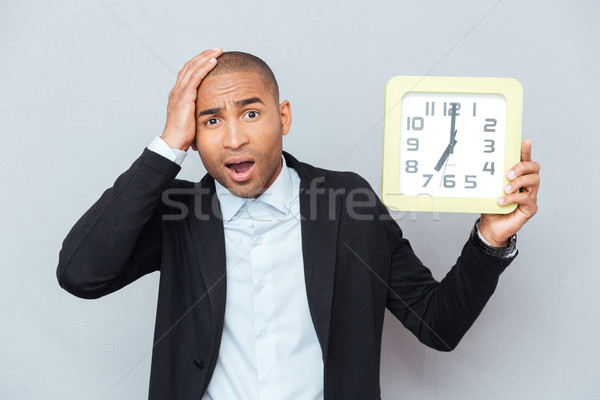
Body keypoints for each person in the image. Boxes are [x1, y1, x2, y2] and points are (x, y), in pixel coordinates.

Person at [56, 47, 540, 400]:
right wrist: (166, 145)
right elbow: (81, 274)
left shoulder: (348, 202)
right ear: (193, 135)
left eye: (250, 112)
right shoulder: (177, 212)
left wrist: (490, 241)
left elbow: (438, 326)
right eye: (210, 121)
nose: (234, 138)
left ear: (282, 116)